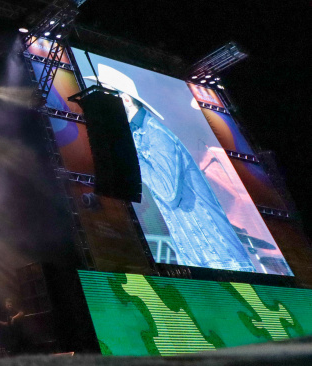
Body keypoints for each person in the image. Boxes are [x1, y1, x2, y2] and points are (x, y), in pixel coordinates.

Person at [87, 64, 255, 272]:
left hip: (220, 255)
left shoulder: (156, 134)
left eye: (107, 95)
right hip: (196, 255)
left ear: (126, 100)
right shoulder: (138, 134)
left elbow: (168, 193)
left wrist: (131, 154)